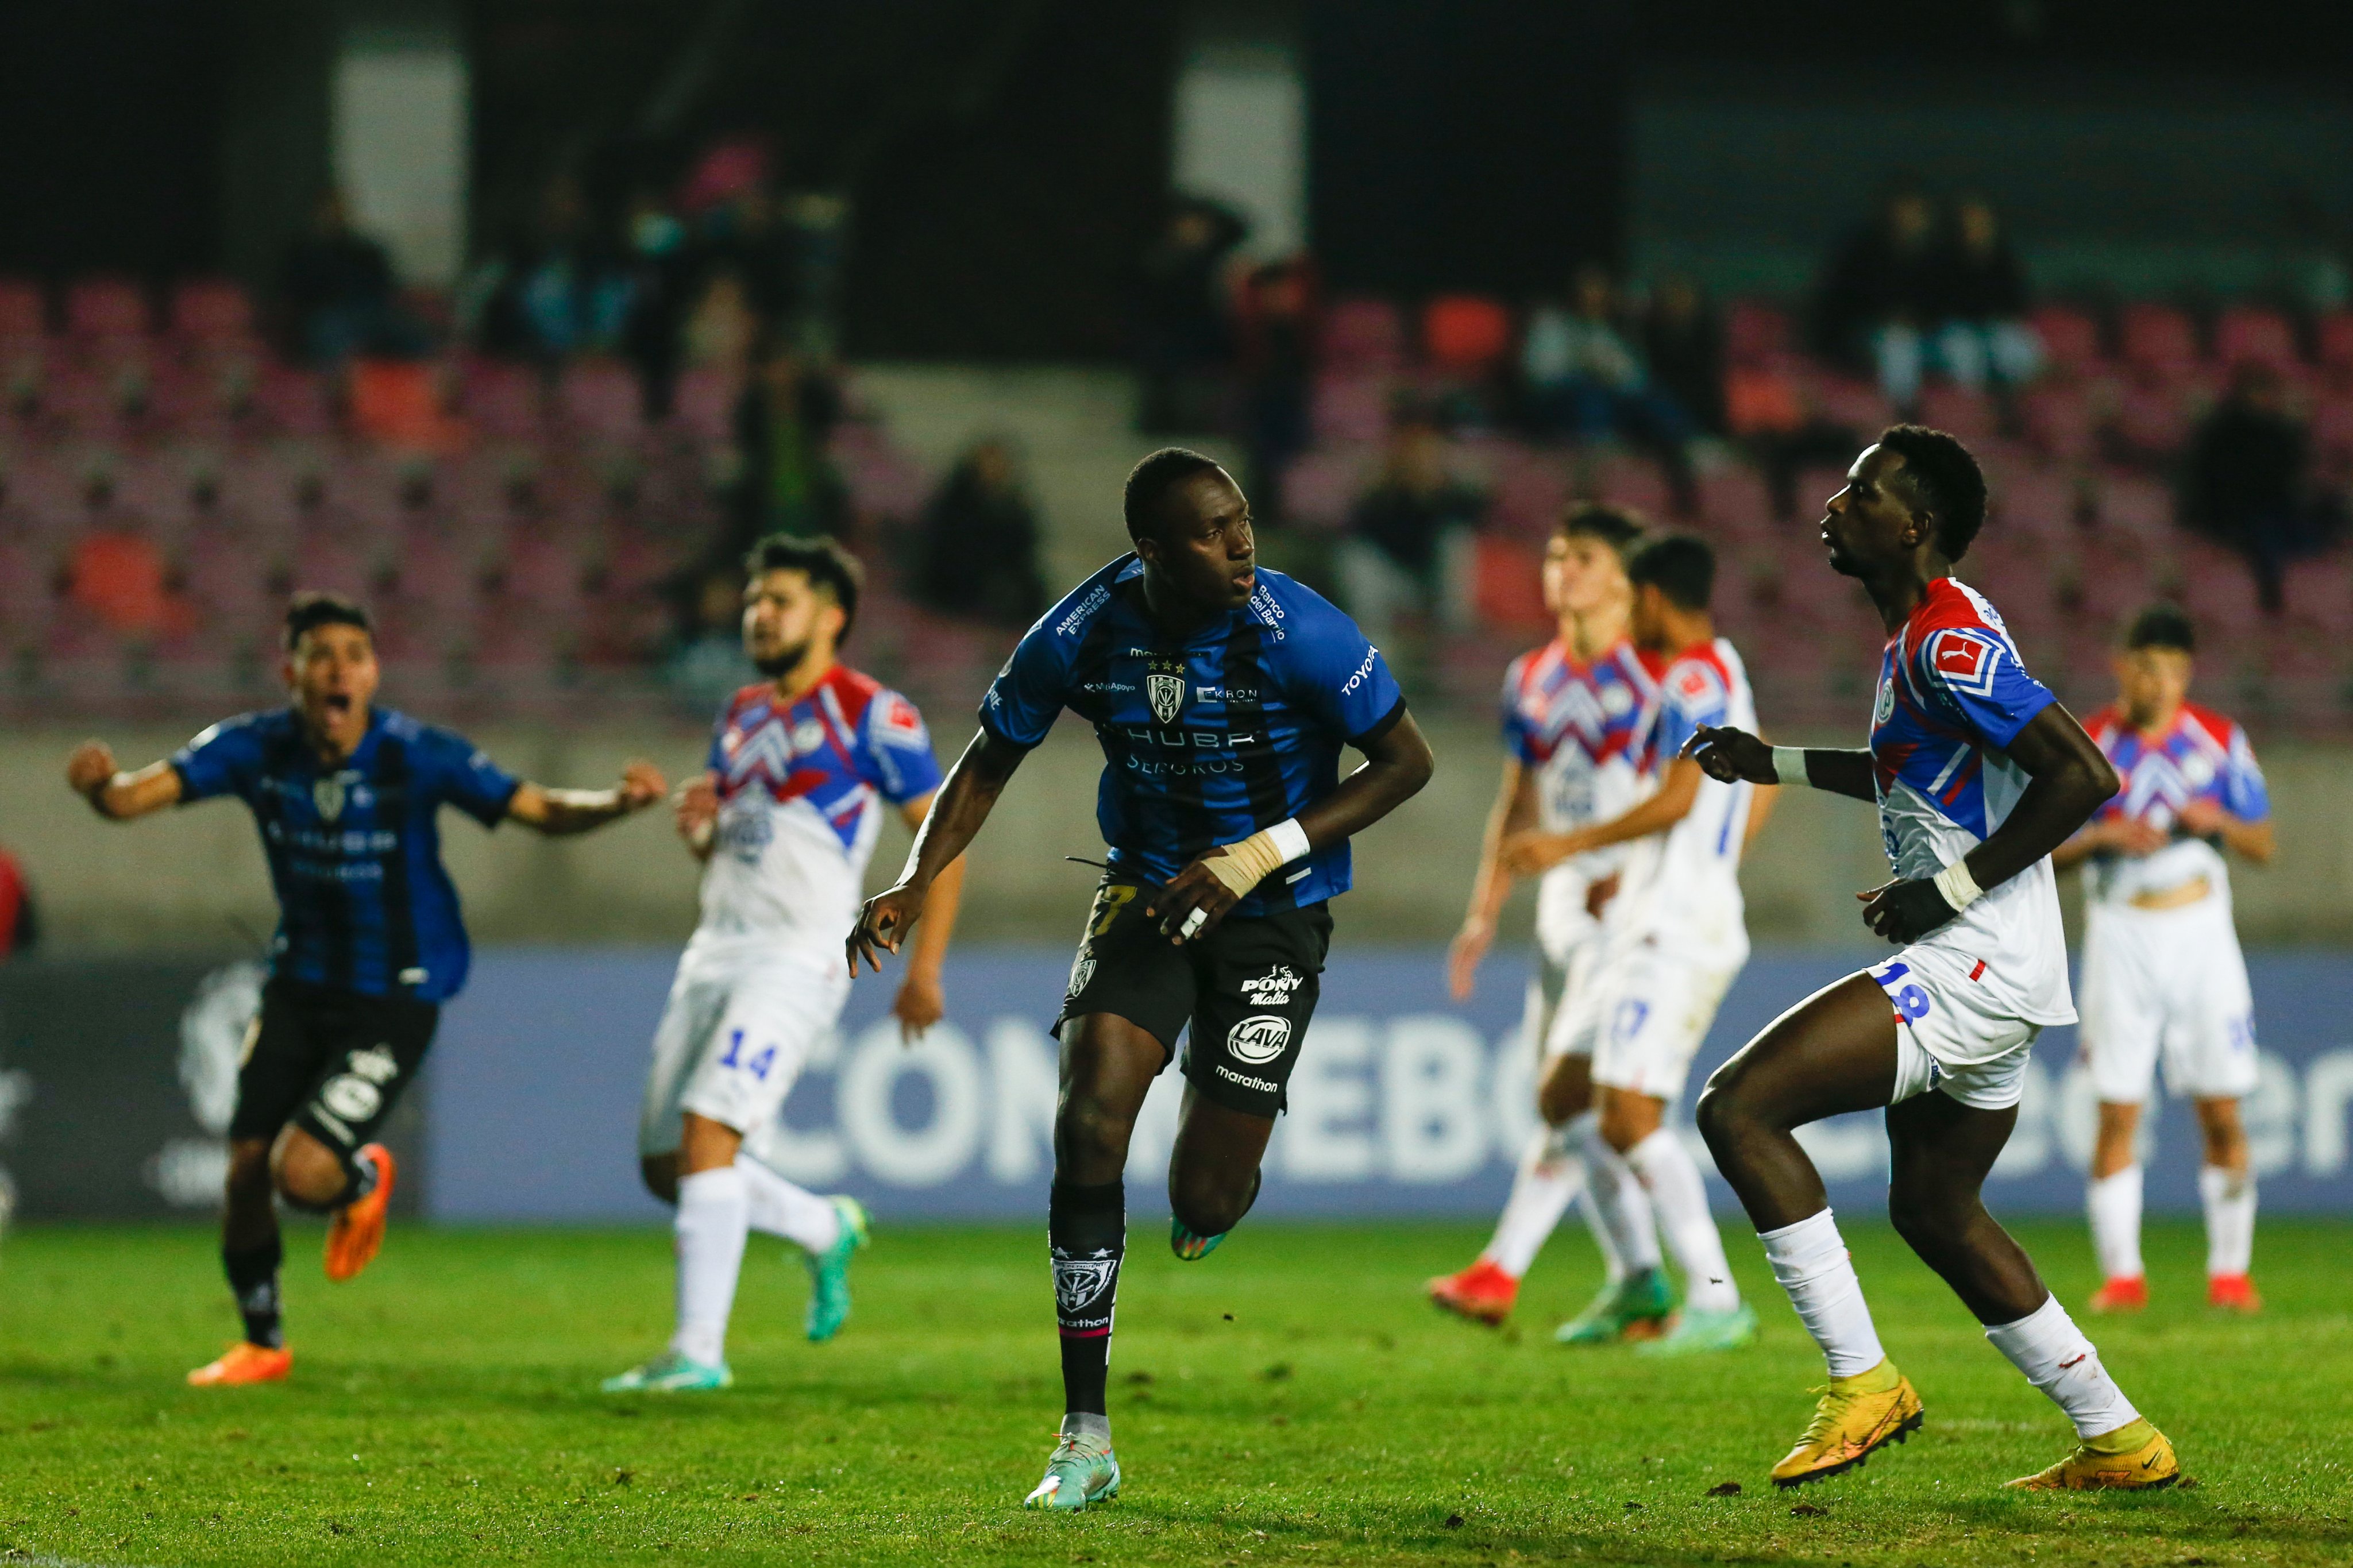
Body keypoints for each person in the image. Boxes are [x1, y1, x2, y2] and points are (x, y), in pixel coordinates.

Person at [846, 449, 1433, 1511]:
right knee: (1089, 1119)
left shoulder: (1303, 633)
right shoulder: (1080, 633)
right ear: (1152, 552)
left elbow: (1406, 764)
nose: (1242, 542)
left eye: (1244, 520)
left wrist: (1258, 853)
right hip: (1146, 897)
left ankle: (1217, 1185)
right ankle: (1085, 1436)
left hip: (1272, 915)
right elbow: (986, 759)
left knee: (1204, 1194)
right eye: (1213, 532)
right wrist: (913, 878)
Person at [1684, 425, 2177, 1490]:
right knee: (1934, 1209)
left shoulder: (1950, 642)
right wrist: (1767, 762)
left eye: (1862, 493)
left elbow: (2085, 775)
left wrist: (1946, 890)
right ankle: (2121, 1438)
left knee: (1737, 1107)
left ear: (1914, 525)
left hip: (1977, 959)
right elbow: (1906, 772)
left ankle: (1863, 1382)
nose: (1835, 502)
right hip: (2004, 967)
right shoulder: (1925, 639)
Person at [65, 592, 665, 1388]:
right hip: (298, 982)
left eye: (354, 653)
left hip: (397, 990)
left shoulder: (417, 753)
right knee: (245, 1167)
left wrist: (616, 804)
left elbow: (539, 808)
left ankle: (360, 1177)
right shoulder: (253, 747)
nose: (339, 668)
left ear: (374, 672)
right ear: (293, 672)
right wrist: (99, 789)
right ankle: (263, 1340)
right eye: (321, 654)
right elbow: (138, 797)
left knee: (301, 1174)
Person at [605, 536, 965, 1392]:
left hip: (799, 954)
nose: (758, 615)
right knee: (670, 1167)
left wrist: (926, 969)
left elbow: (943, 841)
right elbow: (742, 845)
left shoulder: (875, 714)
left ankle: (697, 1352)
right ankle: (819, 1223)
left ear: (831, 615)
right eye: (753, 600)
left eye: (780, 600)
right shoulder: (739, 713)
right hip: (716, 944)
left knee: (708, 1136)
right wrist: (702, 834)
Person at [1497, 533, 1773, 1354]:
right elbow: (1733, 801)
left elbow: (1681, 797)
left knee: (1626, 1111)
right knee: (1564, 1093)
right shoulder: (1727, 672)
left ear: (1650, 598)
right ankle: (1636, 1281)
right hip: (1655, 910)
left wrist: (1571, 846)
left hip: (1678, 928)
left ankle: (1717, 1299)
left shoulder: (1691, 677)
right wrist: (1645, 868)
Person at [1426, 506, 1664, 1330]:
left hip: (1625, 903)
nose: (1563, 567)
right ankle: (1643, 1279)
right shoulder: (1531, 676)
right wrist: (1484, 908)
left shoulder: (1659, 679)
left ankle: (1502, 1267)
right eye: (1557, 552)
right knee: (1562, 1107)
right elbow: (1518, 798)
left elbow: (1703, 796)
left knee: (1568, 1096)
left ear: (1627, 583)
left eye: (1585, 556)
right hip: (1561, 902)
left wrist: (1640, 869)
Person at [2054, 605, 2273, 1316]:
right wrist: (2101, 835)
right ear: (2122, 666)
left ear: (2188, 673)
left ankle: (2229, 1273)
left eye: (2174, 670)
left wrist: (2222, 824)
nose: (2161, 682)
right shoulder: (2087, 744)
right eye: (2147, 667)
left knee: (2221, 1105)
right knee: (2117, 1107)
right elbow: (2042, 850)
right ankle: (2122, 1276)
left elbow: (2263, 844)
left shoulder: (2217, 740)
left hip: (2202, 935)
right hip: (2121, 934)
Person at [2181, 362, 2344, 613]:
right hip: (2237, 514)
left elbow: (2298, 474)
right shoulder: (2220, 433)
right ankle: (2273, 602)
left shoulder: (2283, 432)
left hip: (2283, 510)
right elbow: (2212, 483)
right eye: (2257, 392)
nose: (2264, 399)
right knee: (2268, 544)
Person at [1336, 417, 1485, 650]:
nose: (1421, 460)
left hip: (1436, 589)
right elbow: (1365, 535)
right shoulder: (1383, 496)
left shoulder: (1453, 497)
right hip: (1392, 584)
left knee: (1456, 542)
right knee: (1355, 558)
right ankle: (1372, 645)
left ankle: (1455, 638)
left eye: (1429, 454)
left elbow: (1471, 523)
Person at [912, 439, 1048, 629]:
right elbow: (949, 546)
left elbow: (1023, 549)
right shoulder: (953, 505)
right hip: (956, 578)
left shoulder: (1013, 507)